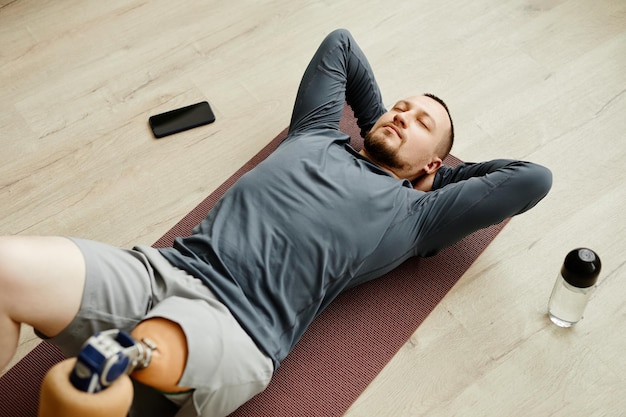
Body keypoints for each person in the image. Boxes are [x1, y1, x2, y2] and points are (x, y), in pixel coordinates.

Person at [0, 29, 552, 416]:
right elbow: (340, 43)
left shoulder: (416, 216)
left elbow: (532, 179)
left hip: (240, 329)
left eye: (420, 121)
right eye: (399, 107)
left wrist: (434, 180)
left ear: (435, 162)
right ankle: (117, 357)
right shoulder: (315, 131)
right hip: (162, 269)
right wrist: (376, 125)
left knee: (72, 390)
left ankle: (121, 358)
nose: (402, 115)